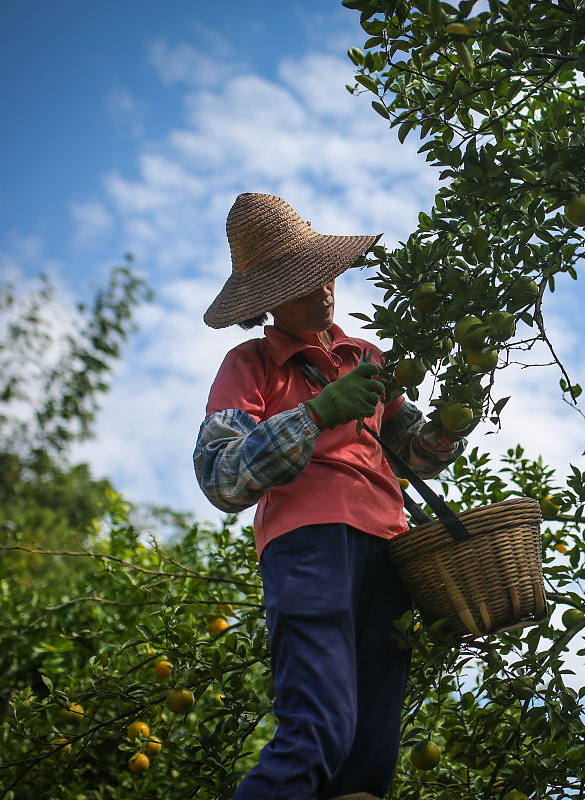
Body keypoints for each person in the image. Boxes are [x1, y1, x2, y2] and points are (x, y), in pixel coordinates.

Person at [194, 192, 467, 800]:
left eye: (324, 275)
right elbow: (221, 474)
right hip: (310, 547)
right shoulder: (251, 365)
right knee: (317, 732)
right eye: (301, 283)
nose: (322, 292)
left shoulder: (366, 358)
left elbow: (411, 453)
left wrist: (447, 426)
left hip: (390, 553)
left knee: (368, 762)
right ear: (266, 300)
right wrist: (313, 415)